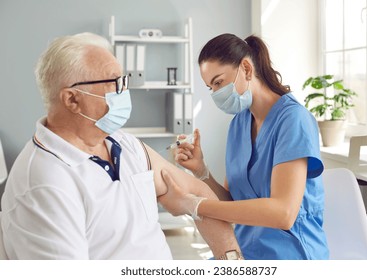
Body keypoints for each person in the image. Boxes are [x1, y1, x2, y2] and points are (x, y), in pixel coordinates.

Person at [0, 32, 241, 260]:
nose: (125, 91)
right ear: (72, 99)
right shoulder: (46, 183)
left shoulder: (123, 143)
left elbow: (197, 193)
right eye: (114, 83)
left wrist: (233, 264)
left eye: (123, 80)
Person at [160, 33, 329, 260]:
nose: (216, 93)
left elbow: (283, 213)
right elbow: (233, 204)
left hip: (292, 254)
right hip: (246, 251)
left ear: (247, 69)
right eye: (211, 87)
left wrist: (194, 205)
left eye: (218, 82)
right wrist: (202, 172)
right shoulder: (239, 124)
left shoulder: (293, 120)